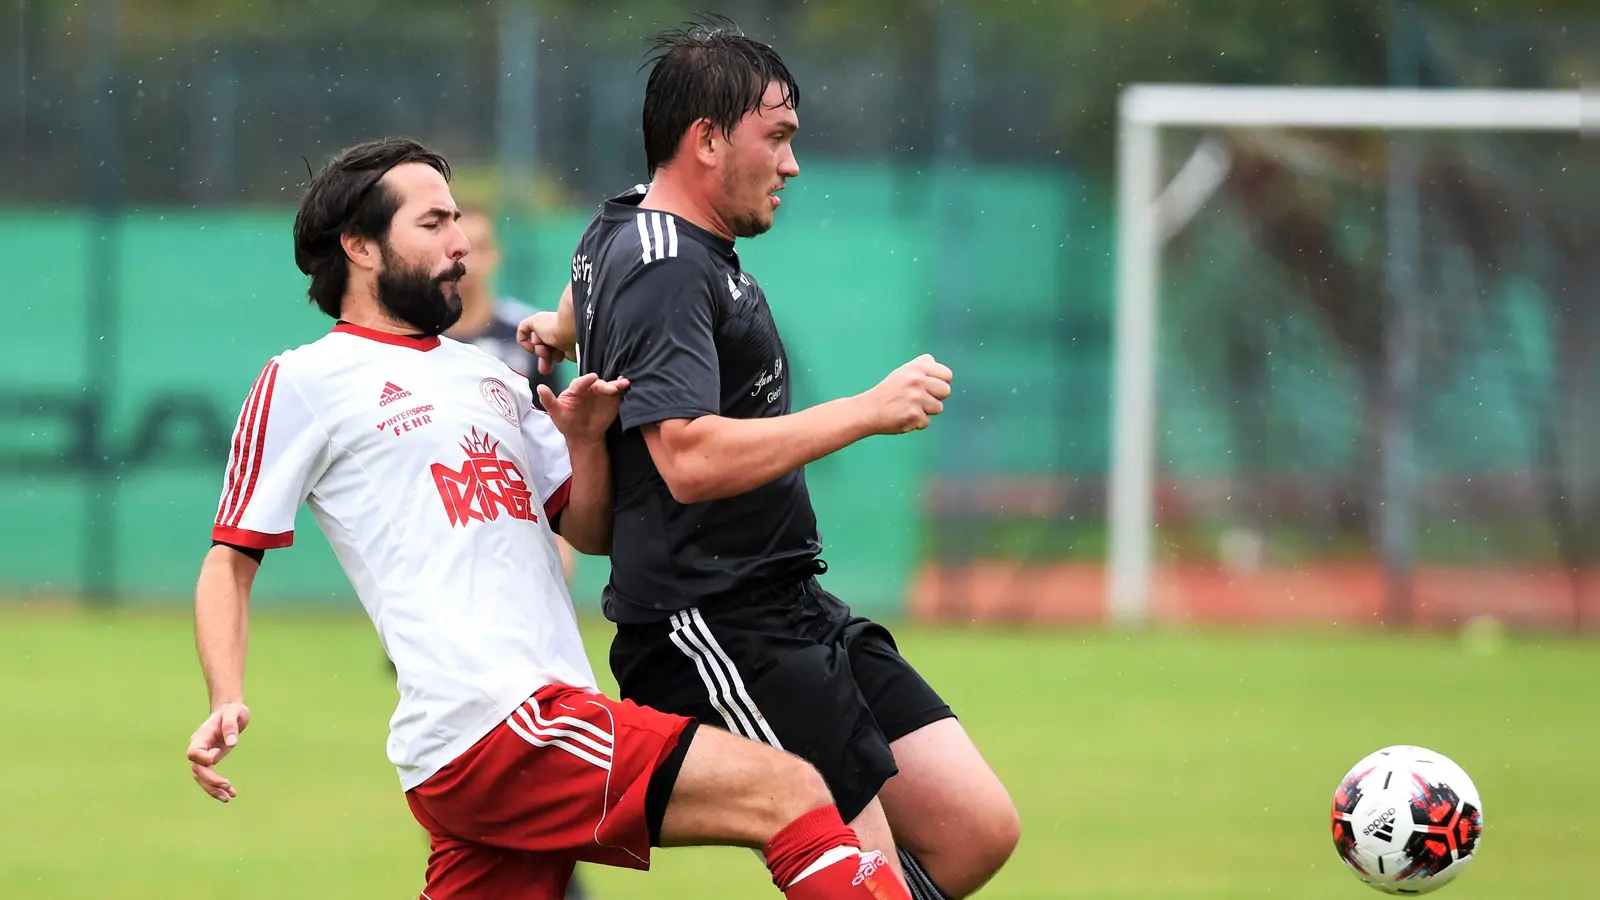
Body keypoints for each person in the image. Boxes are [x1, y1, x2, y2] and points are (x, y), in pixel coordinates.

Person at [185, 136, 912, 900]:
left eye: (458, 220)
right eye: (433, 224)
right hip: (497, 723)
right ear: (360, 246)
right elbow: (229, 560)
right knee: (787, 789)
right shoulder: (305, 380)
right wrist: (225, 695)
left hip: (506, 733)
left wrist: (587, 440)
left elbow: (589, 531)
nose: (461, 243)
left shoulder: (496, 378)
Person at [518, 17, 1019, 900]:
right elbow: (688, 461)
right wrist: (865, 411)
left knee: (976, 831)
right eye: (777, 138)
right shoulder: (666, 265)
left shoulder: (629, 229)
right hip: (718, 622)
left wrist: (558, 327)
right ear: (706, 141)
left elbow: (586, 288)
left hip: (791, 602)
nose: (791, 164)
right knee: (866, 882)